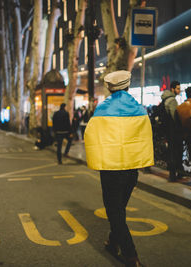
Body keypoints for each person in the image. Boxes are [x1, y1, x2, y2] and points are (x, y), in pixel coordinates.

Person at [84, 70, 154, 267]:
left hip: (111, 169)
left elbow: (90, 134)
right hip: (132, 169)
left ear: (108, 87)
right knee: (119, 208)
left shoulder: (102, 108)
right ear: (128, 86)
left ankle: (131, 256)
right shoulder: (139, 108)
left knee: (114, 211)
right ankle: (112, 243)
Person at [160, 80, 184, 181]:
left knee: (172, 152)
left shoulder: (164, 99)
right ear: (173, 89)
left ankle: (174, 173)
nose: (179, 90)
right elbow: (175, 116)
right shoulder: (172, 100)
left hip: (166, 130)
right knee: (176, 152)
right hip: (173, 131)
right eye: (178, 88)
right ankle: (174, 174)